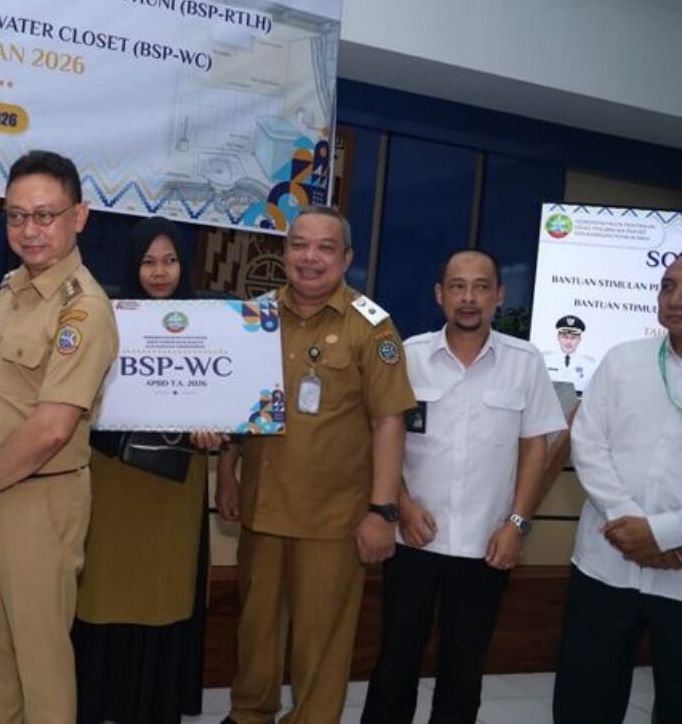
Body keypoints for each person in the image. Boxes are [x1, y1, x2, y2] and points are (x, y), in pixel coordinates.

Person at [0, 149, 119, 723]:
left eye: (45, 215)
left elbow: (51, 427)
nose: (29, 230)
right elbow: (1, 386)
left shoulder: (83, 309)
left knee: (41, 669)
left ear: (78, 216)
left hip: (36, 500)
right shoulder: (12, 290)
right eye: (16, 216)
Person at [216, 205, 416, 724]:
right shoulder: (254, 318)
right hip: (261, 507)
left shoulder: (373, 327)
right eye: (299, 245)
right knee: (255, 630)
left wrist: (383, 511)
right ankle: (249, 713)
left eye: (325, 247)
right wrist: (224, 474)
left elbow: (388, 424)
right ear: (284, 253)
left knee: (320, 641)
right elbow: (237, 406)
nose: (309, 258)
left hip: (334, 520)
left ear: (346, 257)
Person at [360, 248, 566, 724]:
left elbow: (535, 449)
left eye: (480, 286)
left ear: (499, 295)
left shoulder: (525, 361)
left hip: (486, 545)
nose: (468, 298)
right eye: (457, 286)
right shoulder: (409, 357)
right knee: (394, 664)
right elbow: (380, 437)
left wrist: (517, 524)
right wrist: (402, 506)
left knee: (464, 670)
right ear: (440, 295)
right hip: (412, 539)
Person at [72, 216, 229, 724]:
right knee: (101, 592)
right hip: (112, 483)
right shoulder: (102, 317)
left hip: (172, 491)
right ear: (129, 264)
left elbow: (231, 401)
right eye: (147, 261)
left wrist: (216, 429)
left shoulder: (210, 326)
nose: (159, 272)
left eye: (170, 260)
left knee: (165, 595)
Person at [552, 257, 682, 724]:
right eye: (668, 286)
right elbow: (588, 442)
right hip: (607, 563)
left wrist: (664, 532)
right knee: (583, 704)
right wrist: (630, 523)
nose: (675, 299)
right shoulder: (624, 359)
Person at [542, 314, 596, 391]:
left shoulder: (589, 364)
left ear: (579, 339)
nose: (568, 342)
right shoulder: (545, 360)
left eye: (573, 338)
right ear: (558, 337)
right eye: (565, 337)